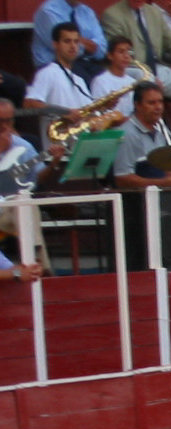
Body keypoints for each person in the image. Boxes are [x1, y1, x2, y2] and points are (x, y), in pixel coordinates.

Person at [101, 0, 171, 140]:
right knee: (147, 79)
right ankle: (159, 135)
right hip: (131, 68)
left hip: (157, 66)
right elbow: (120, 52)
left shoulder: (154, 12)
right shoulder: (113, 14)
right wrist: (149, 75)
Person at [0, 98, 60, 279]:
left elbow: (36, 178)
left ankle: (36, 262)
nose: (4, 126)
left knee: (25, 203)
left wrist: (54, 163)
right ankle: (40, 268)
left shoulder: (22, 146)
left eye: (8, 121)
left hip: (12, 208)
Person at [112, 82, 171, 189]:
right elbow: (122, 179)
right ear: (137, 105)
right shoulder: (127, 134)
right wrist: (163, 183)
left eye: (160, 102)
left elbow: (166, 172)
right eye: (151, 103)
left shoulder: (159, 132)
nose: (158, 107)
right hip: (141, 200)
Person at [23, 22, 93, 146]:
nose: (73, 46)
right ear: (55, 44)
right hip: (57, 155)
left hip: (80, 150)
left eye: (76, 42)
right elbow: (29, 104)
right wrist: (63, 112)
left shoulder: (80, 80)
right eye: (67, 41)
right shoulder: (47, 72)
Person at [32, 0, 107, 83]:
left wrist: (82, 44)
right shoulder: (48, 11)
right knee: (88, 83)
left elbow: (102, 49)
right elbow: (63, 48)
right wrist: (90, 45)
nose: (74, 43)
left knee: (108, 82)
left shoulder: (87, 12)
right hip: (56, 65)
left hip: (88, 62)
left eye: (76, 40)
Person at [90, 36, 142, 121]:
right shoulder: (100, 81)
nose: (126, 56)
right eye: (121, 52)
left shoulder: (132, 82)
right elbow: (96, 113)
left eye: (129, 52)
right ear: (110, 55)